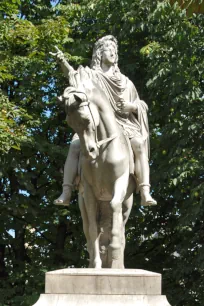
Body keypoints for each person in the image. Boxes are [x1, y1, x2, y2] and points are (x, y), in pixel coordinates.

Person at [50, 35, 157, 206]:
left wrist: (131, 107)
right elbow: (74, 76)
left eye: (115, 49)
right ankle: (66, 191)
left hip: (124, 124)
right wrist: (63, 62)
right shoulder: (91, 77)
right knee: (75, 145)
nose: (113, 52)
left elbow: (141, 105)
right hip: (95, 124)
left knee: (138, 144)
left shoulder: (125, 82)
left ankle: (145, 190)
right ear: (100, 53)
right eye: (108, 48)